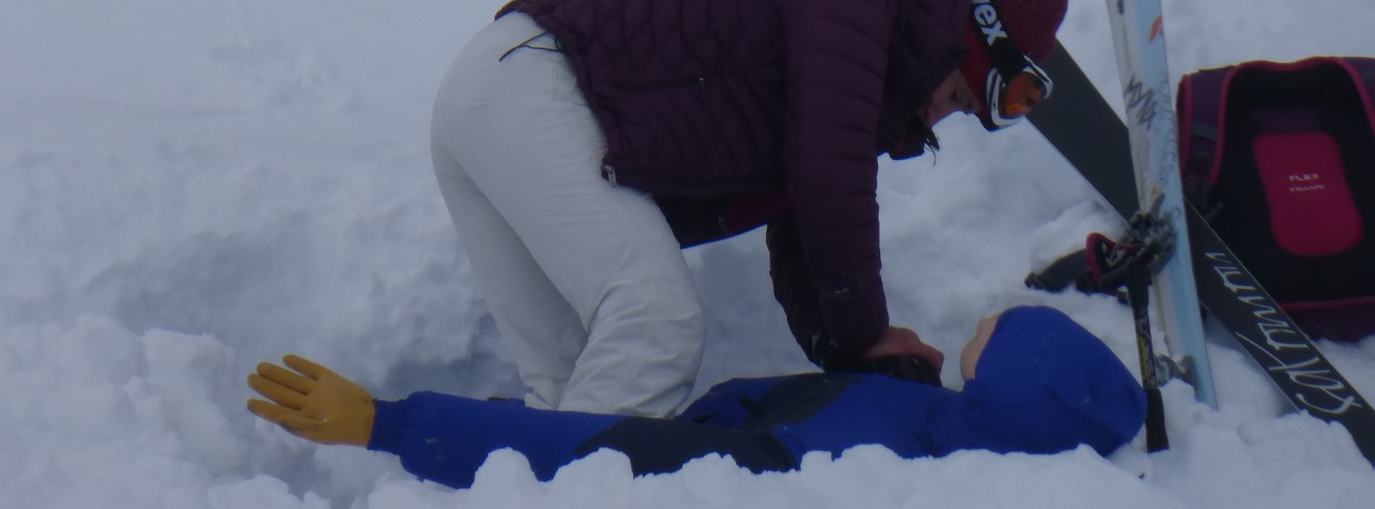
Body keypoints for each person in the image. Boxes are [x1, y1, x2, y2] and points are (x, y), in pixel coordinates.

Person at [429, 0, 1068, 416]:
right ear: (965, 33)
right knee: (654, 324)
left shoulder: (862, 60)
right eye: (955, 95)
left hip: (494, 102)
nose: (938, 117)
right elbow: (828, 181)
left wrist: (839, 343)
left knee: (570, 388)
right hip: (532, 89)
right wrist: (866, 331)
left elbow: (801, 214)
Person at [246, 305, 1145, 488]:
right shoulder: (938, 426)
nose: (954, 342)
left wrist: (394, 425)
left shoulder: (847, 454)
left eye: (979, 347)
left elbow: (615, 455)